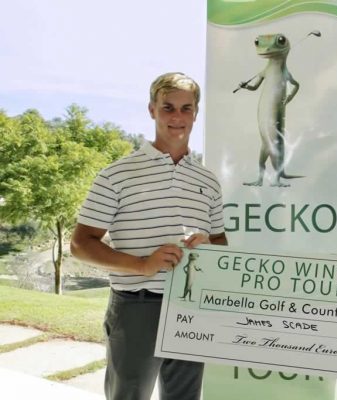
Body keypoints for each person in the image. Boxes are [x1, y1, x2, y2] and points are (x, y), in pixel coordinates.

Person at [71, 72, 227, 400]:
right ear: (152, 110)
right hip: (136, 307)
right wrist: (142, 264)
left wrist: (209, 247)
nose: (177, 116)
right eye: (168, 107)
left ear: (196, 113)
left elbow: (221, 243)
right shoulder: (116, 175)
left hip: (191, 305)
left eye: (186, 108)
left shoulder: (208, 181)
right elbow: (80, 244)